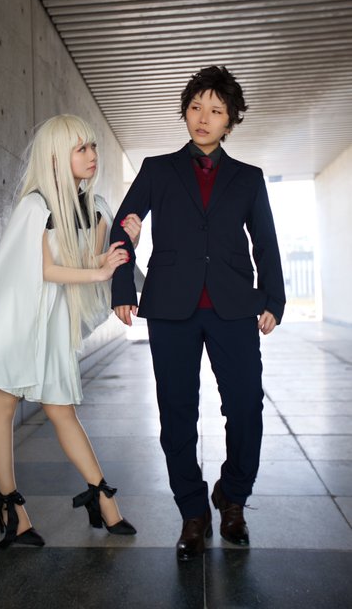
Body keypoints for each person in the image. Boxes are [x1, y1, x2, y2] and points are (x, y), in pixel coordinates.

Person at [110, 66, 286, 561]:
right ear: (185, 112)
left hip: (234, 307)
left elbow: (266, 241)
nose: (203, 118)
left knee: (246, 407)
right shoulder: (157, 170)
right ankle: (192, 511)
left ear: (230, 120)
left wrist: (273, 300)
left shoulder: (248, 178)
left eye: (215, 110)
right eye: (195, 107)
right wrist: (122, 286)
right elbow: (122, 227)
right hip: (171, 309)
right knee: (177, 413)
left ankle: (233, 496)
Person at [0, 114, 138, 548]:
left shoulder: (96, 207)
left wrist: (126, 244)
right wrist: (99, 270)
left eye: (93, 146)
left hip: (51, 323)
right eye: (80, 148)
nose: (92, 155)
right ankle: (14, 514)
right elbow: (44, 269)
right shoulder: (35, 206)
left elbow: (91, 264)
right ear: (55, 157)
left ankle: (103, 498)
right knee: (3, 408)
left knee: (62, 409)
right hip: (13, 319)